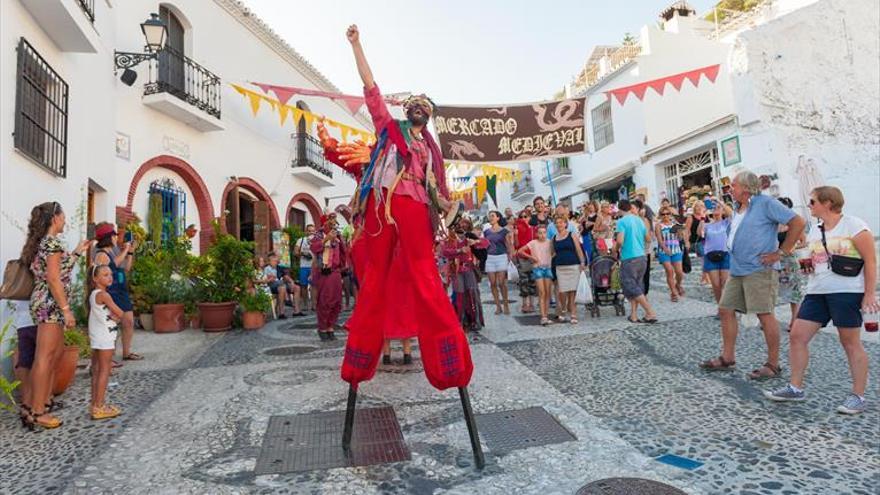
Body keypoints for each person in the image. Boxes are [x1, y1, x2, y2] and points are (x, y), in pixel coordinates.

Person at [341, 25, 473, 390]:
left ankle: (449, 360)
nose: (418, 109)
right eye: (414, 104)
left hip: (415, 207)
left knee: (425, 275)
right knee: (374, 280)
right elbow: (371, 89)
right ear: (407, 110)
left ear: (427, 118)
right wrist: (357, 45)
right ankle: (359, 361)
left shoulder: (430, 151)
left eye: (424, 107)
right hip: (383, 206)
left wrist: (449, 205)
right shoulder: (389, 128)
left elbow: (437, 192)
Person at [765, 186, 877, 414]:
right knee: (797, 335)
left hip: (846, 291)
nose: (809, 206)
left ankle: (858, 396)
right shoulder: (816, 230)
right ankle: (795, 388)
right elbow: (817, 260)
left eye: (813, 202)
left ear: (828, 203)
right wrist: (808, 267)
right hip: (817, 291)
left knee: (849, 342)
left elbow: (871, 261)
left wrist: (868, 294)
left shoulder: (854, 225)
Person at [700, 170, 806, 380]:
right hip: (738, 268)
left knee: (764, 314)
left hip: (759, 270)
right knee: (725, 309)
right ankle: (728, 357)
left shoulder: (765, 203)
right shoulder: (740, 208)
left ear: (746, 189)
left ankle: (773, 364)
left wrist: (781, 252)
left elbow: (798, 222)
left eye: (734, 186)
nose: (731, 189)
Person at [23, 202, 92, 429]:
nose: (65, 220)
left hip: (46, 302)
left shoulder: (44, 243)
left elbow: (58, 272)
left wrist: (77, 252)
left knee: (53, 354)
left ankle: (39, 402)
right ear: (54, 218)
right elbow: (53, 280)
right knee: (45, 356)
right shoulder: (52, 243)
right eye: (62, 216)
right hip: (50, 305)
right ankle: (36, 411)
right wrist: (66, 309)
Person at [92, 223, 141, 362]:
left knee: (129, 321)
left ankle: (126, 352)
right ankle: (108, 358)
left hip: (121, 290)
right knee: (111, 323)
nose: (116, 238)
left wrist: (130, 252)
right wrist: (124, 250)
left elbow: (126, 267)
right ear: (109, 237)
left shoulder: (113, 250)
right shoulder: (101, 253)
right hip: (111, 292)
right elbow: (111, 266)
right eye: (114, 235)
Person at [87, 264, 124, 420]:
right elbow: (120, 312)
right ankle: (100, 407)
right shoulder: (104, 295)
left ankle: (95, 404)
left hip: (97, 336)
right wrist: (117, 316)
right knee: (104, 370)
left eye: (110, 274)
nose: (109, 277)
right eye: (105, 275)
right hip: (105, 337)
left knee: (96, 370)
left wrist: (113, 316)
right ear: (95, 278)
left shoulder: (93, 294)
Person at [615, 200, 658, 323]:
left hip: (629, 257)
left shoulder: (621, 222)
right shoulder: (639, 220)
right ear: (630, 208)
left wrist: (615, 249)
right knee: (638, 286)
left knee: (630, 285)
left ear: (620, 209)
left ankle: (650, 312)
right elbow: (649, 239)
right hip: (642, 257)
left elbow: (620, 241)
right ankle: (633, 315)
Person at [442, 225, 488, 333]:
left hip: (469, 269)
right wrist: (459, 250)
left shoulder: (468, 238)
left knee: (473, 294)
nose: (458, 231)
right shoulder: (448, 240)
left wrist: (475, 242)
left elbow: (485, 243)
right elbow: (445, 252)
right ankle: (461, 321)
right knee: (459, 295)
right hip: (456, 271)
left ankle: (475, 321)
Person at [310, 216, 346, 341]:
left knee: (337, 302)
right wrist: (326, 239)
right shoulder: (319, 235)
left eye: (334, 221)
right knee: (325, 301)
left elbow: (343, 252)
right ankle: (322, 328)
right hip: (324, 272)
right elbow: (314, 248)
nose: (333, 223)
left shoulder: (338, 235)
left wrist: (343, 268)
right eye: (330, 221)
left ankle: (330, 326)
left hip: (336, 272)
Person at [775, 197, 807, 331]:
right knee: (772, 290)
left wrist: (791, 247)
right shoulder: (773, 224)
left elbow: (804, 242)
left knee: (794, 292)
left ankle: (794, 321)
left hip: (789, 260)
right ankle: (770, 321)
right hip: (774, 261)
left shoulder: (794, 224)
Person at [551, 213, 587, 323]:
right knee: (562, 291)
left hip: (573, 265)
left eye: (561, 222)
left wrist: (582, 262)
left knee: (573, 291)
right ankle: (563, 309)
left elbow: (578, 249)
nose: (559, 224)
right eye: (557, 223)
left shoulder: (572, 235)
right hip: (560, 267)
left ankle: (573, 313)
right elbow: (552, 253)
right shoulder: (553, 238)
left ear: (565, 224)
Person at [698, 201, 734, 309]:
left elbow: (732, 214)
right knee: (716, 285)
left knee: (725, 283)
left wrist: (720, 203)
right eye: (714, 208)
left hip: (725, 254)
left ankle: (727, 306)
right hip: (710, 256)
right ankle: (721, 307)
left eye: (718, 208)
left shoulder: (727, 222)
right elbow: (700, 233)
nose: (716, 209)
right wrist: (702, 216)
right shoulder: (707, 225)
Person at [519, 225, 555, 325]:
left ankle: (546, 315)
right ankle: (543, 316)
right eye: (540, 233)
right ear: (536, 234)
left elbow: (554, 252)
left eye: (544, 232)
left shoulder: (550, 242)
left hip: (548, 268)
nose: (542, 235)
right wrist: (531, 257)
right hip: (537, 268)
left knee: (548, 293)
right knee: (542, 292)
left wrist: (552, 257)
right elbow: (520, 251)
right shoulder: (533, 243)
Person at [484, 211, 514, 315]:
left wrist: (510, 256)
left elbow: (508, 244)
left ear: (498, 218)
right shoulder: (486, 232)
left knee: (501, 283)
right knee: (492, 284)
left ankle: (505, 304)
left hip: (501, 257)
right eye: (489, 216)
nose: (490, 217)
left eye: (492, 216)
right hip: (490, 258)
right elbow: (485, 244)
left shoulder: (504, 231)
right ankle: (498, 306)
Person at [655, 206, 686, 302]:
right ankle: (673, 292)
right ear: (660, 215)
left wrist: (680, 231)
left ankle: (678, 285)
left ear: (671, 215)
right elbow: (659, 240)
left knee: (679, 272)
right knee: (669, 271)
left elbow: (680, 238)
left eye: (667, 214)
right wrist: (664, 248)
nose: (665, 216)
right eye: (663, 214)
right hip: (664, 251)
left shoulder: (675, 224)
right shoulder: (659, 225)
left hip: (676, 249)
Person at [514, 210, 536, 313]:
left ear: (530, 217)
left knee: (532, 281)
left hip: (532, 257)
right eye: (521, 217)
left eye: (526, 216)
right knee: (523, 282)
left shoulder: (533, 229)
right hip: (522, 257)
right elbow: (517, 245)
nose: (523, 218)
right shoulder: (518, 229)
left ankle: (531, 304)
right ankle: (524, 304)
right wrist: (515, 235)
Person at [631, 199, 653, 296]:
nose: (631, 211)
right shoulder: (628, 220)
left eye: (633, 208)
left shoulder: (644, 220)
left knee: (644, 274)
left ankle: (644, 294)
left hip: (643, 251)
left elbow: (648, 238)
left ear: (639, 209)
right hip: (632, 252)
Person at [684, 201, 709, 285]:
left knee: (706, 259)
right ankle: (704, 278)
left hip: (705, 241)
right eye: (697, 206)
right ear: (694, 208)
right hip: (695, 241)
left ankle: (705, 277)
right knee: (705, 259)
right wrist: (686, 241)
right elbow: (687, 230)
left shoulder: (706, 216)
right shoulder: (691, 217)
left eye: (701, 206)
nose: (699, 208)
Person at [294, 224, 316, 311]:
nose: (311, 232)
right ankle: (305, 304)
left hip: (314, 266)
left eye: (312, 231)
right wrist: (303, 254)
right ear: (306, 231)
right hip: (303, 266)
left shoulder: (317, 240)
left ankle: (314, 304)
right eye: (309, 231)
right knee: (303, 285)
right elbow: (295, 252)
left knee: (314, 286)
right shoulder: (300, 240)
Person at [263, 253, 291, 319]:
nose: (275, 263)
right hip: (271, 285)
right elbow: (267, 277)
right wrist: (271, 277)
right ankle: (287, 298)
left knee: (282, 287)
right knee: (281, 283)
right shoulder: (267, 268)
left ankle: (282, 313)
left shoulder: (277, 268)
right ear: (269, 262)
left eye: (276, 261)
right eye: (273, 261)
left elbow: (280, 276)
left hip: (277, 284)